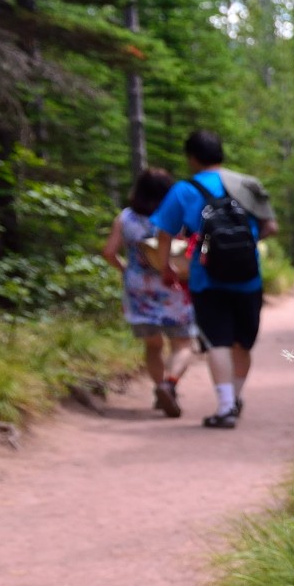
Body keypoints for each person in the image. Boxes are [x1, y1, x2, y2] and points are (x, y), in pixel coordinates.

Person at [153, 130, 278, 429]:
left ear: (192, 157)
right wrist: (245, 242)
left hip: (206, 278)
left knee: (218, 342)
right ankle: (234, 398)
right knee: (242, 343)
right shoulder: (247, 184)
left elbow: (163, 232)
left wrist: (165, 267)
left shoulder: (184, 190)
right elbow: (270, 226)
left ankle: (224, 408)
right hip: (249, 278)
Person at [100, 167, 197, 418]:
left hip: (138, 287)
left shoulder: (125, 218)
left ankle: (158, 387)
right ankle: (170, 383)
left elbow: (109, 252)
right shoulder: (176, 216)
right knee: (183, 343)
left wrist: (125, 269)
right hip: (172, 285)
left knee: (153, 345)